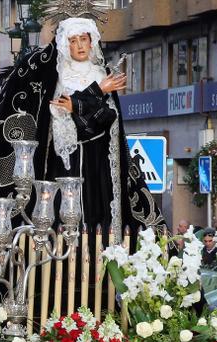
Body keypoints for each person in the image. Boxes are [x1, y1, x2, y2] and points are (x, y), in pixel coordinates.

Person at [43, 18, 151, 230]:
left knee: (99, 209)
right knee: (69, 210)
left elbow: (109, 116)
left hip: (99, 155)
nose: (80, 45)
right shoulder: (60, 76)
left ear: (91, 42)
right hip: (70, 158)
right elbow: (59, 111)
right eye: (74, 41)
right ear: (66, 44)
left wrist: (78, 105)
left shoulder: (100, 73)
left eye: (84, 39)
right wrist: (97, 92)